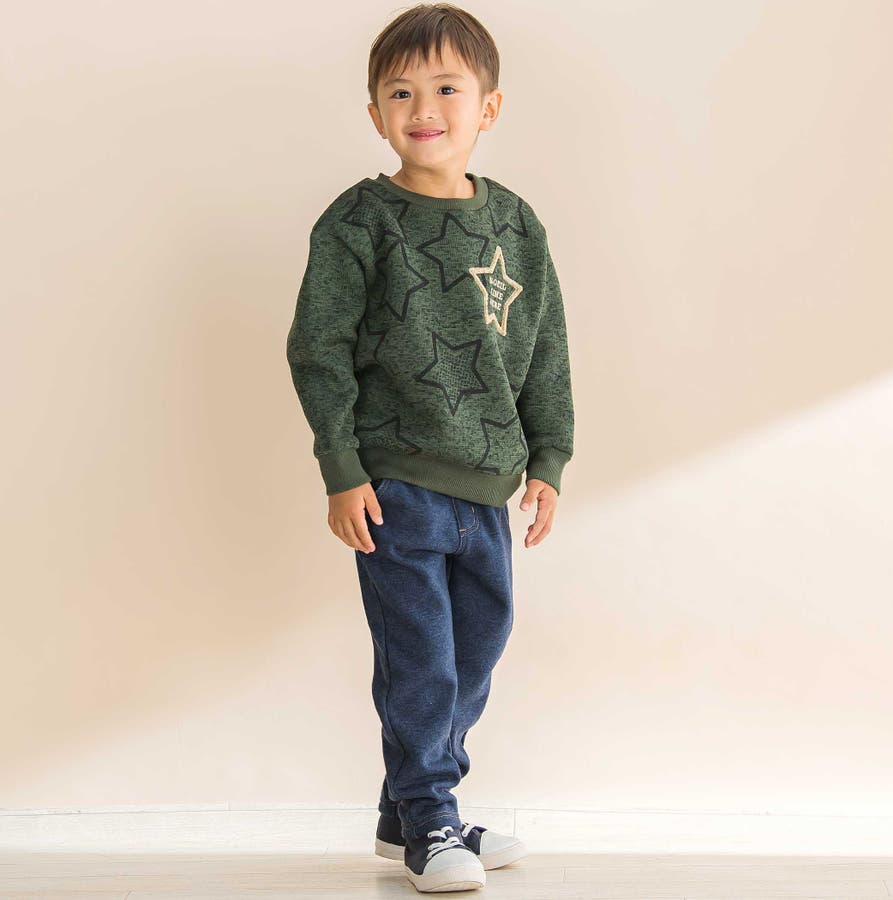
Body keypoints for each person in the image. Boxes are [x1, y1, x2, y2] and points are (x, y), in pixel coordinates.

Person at [285, 3, 575, 892]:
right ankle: (433, 817)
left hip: (488, 487)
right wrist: (342, 470)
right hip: (396, 485)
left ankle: (405, 812)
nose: (424, 108)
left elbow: (546, 348)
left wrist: (549, 459)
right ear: (376, 113)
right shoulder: (359, 222)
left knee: (476, 652)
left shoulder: (516, 224)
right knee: (422, 662)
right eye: (401, 92)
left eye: (448, 88)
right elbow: (319, 348)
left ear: (488, 106)